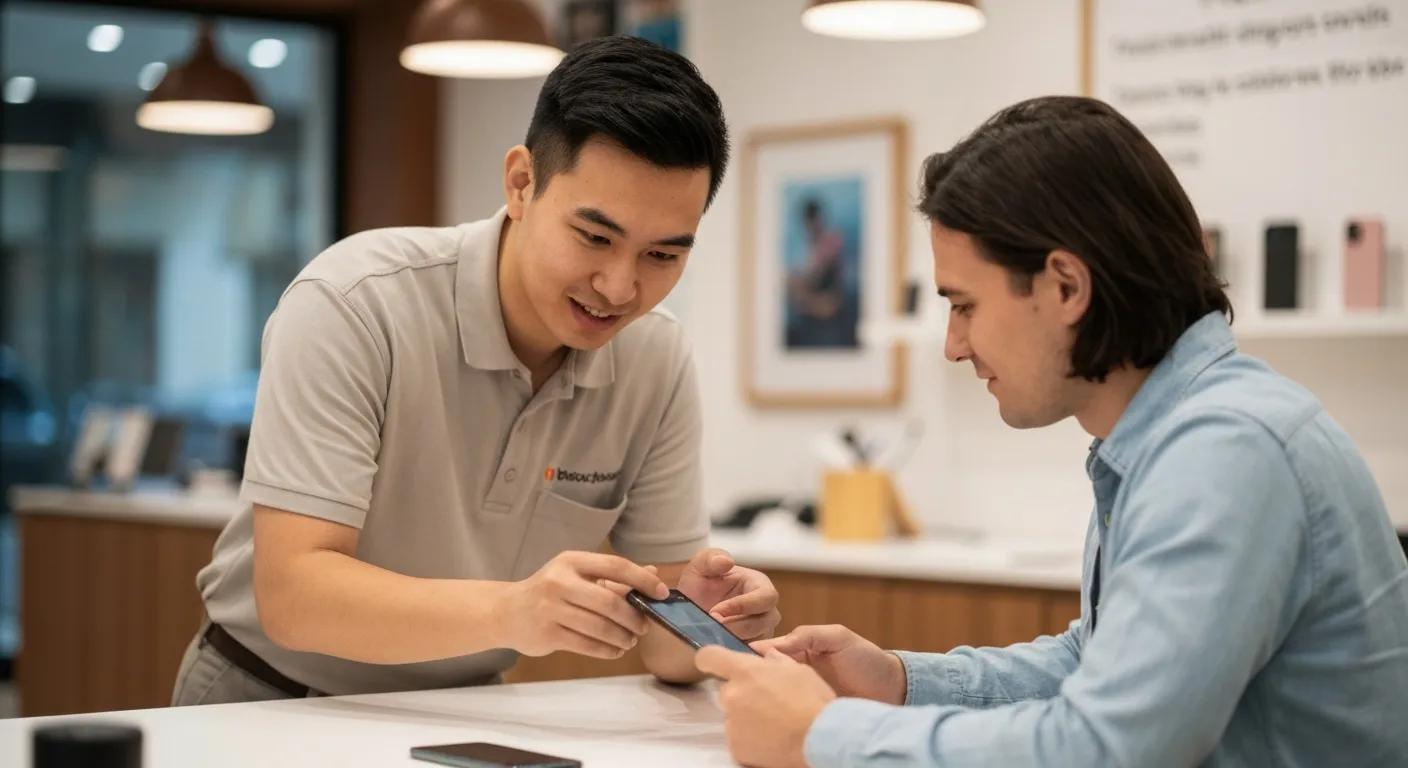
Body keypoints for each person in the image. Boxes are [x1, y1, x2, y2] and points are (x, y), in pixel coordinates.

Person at [696, 96, 1408, 767]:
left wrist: (823, 737)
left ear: (1066, 287)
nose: (953, 344)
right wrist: (896, 680)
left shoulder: (1226, 452)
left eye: (965, 305)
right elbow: (1096, 665)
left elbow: (1105, 747)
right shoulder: (1175, 437)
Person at [172, 36, 781, 705]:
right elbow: (295, 598)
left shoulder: (655, 361)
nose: (619, 287)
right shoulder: (355, 302)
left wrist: (709, 621)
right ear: (521, 183)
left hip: (461, 702)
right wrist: (512, 611)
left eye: (662, 255)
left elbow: (668, 645)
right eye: (595, 238)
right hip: (263, 698)